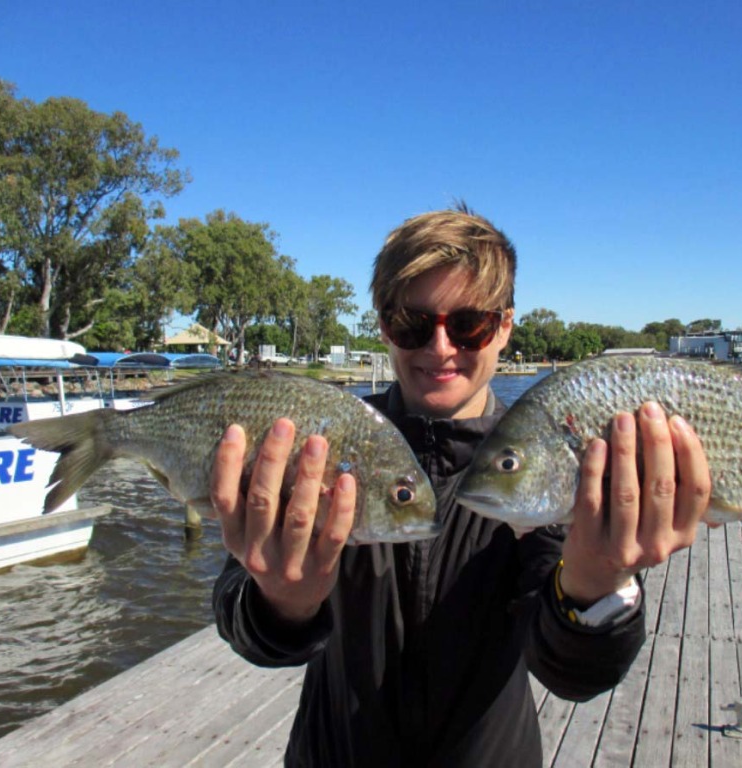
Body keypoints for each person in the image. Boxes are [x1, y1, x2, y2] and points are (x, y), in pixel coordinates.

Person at [210, 204, 711, 767]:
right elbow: (243, 622)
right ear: (383, 328)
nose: (441, 347)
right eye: (412, 323)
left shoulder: (544, 459)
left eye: (469, 324)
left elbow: (571, 672)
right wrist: (281, 603)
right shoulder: (321, 444)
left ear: (504, 328)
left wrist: (596, 587)